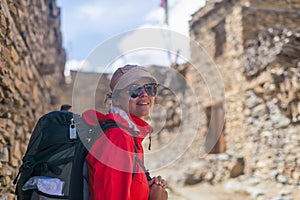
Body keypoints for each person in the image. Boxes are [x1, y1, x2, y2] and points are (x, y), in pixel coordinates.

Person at [82, 65, 168, 200]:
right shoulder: (117, 138)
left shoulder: (130, 135)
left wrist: (147, 188)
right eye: (135, 89)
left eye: (150, 88)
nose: (144, 94)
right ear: (116, 99)